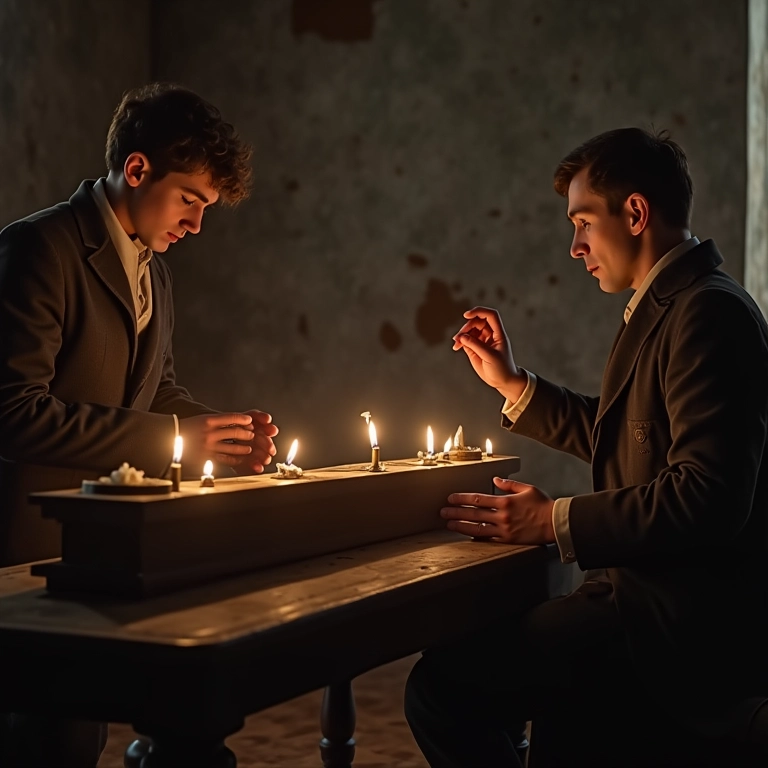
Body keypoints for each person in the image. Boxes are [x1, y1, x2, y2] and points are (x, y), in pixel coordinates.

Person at [404, 127, 768, 767]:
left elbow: (708, 497)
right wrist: (516, 386)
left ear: (635, 212)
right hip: (639, 602)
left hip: (669, 624)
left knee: (442, 689)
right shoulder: (675, 305)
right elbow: (636, 436)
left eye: (582, 223)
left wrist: (552, 520)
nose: (574, 248)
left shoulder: (709, 313)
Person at [0, 82, 278, 766]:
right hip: (20, 555)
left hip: (96, 554)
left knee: (78, 735)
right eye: (191, 200)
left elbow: (158, 393)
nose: (197, 224)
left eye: (207, 209)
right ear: (137, 169)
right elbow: (11, 413)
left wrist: (224, 430)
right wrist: (174, 443)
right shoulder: (38, 248)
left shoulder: (155, 271)